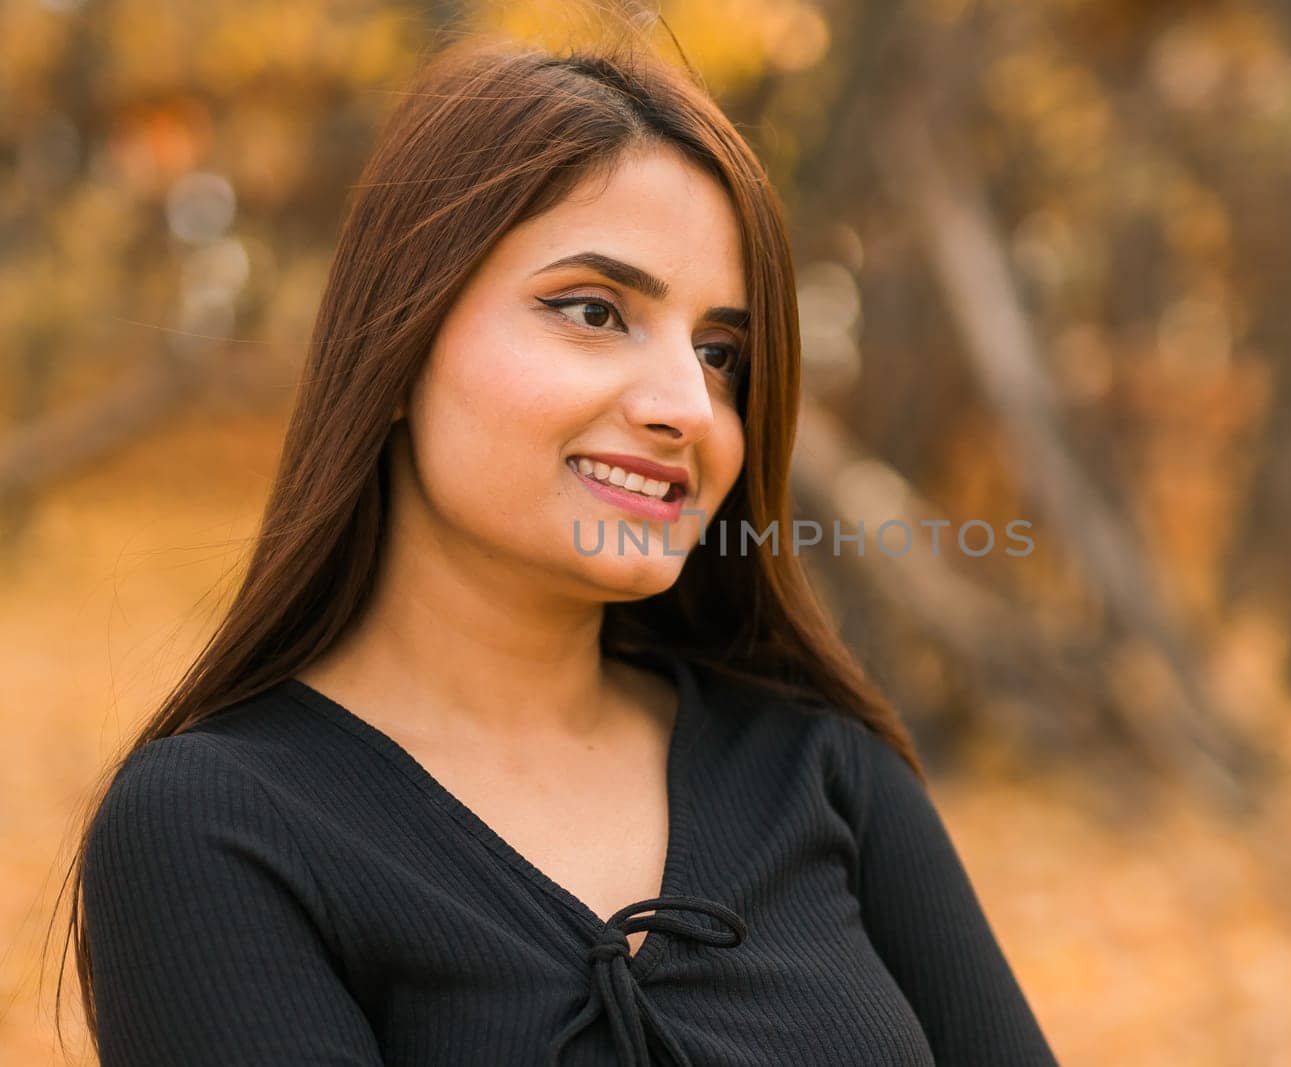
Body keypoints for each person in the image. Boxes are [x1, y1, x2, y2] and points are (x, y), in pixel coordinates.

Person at [62, 31, 1059, 1067]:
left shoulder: (826, 770)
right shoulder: (216, 828)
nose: (688, 407)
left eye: (720, 352)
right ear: (397, 344)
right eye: (593, 310)